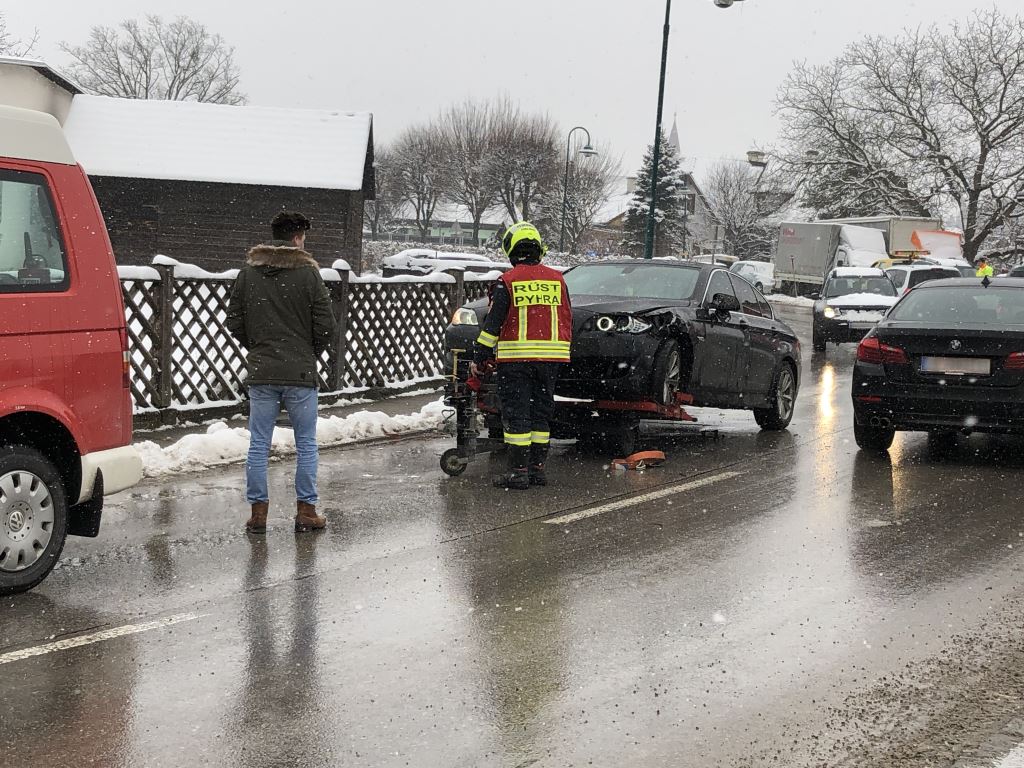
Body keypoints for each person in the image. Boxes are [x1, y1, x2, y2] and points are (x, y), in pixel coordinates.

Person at [227, 211, 337, 533]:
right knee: (306, 442)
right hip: (301, 374)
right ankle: (306, 511)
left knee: (259, 442)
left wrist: (259, 346)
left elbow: (234, 320)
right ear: (298, 237)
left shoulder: (249, 274)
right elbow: (326, 326)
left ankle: (258, 514)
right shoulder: (309, 274)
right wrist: (308, 352)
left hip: (262, 373)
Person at [472, 222, 572, 490]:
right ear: (539, 248)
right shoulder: (558, 280)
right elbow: (566, 317)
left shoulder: (508, 281)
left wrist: (480, 354)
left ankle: (518, 472)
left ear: (511, 250)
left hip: (517, 360)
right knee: (541, 414)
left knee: (518, 415)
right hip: (550, 360)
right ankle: (537, 470)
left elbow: (493, 323)